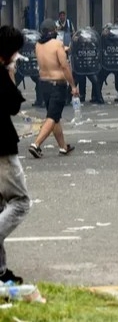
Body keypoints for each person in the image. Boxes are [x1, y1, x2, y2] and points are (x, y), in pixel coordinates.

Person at [0, 26, 32, 284]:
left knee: (1, 206)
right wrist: (9, 72)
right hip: (1, 146)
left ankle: (0, 271)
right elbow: (13, 104)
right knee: (20, 202)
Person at [28, 20, 78, 159]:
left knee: (55, 117)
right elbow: (64, 66)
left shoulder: (38, 45)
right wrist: (73, 86)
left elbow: (49, 55)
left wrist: (63, 49)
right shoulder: (57, 44)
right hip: (57, 85)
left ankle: (63, 147)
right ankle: (36, 144)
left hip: (44, 85)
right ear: (52, 31)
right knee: (52, 117)